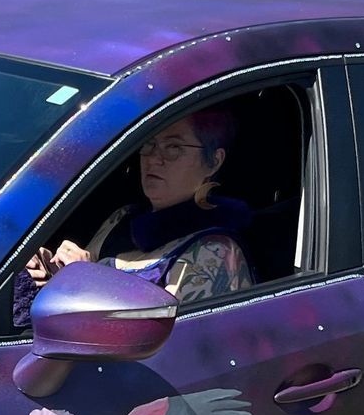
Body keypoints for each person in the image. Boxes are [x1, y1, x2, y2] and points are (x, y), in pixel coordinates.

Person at [13, 107, 252, 326]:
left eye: (173, 147)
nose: (153, 158)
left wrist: (86, 280)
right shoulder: (122, 218)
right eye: (149, 143)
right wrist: (50, 270)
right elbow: (78, 286)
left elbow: (174, 342)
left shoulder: (216, 251)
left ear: (213, 161)